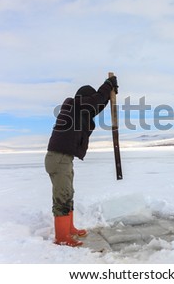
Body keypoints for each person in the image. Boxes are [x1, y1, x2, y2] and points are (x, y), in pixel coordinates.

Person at [45, 76, 118, 246]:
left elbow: (96, 106)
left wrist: (108, 95)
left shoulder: (78, 109)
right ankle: (62, 238)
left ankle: (69, 229)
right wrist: (108, 85)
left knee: (68, 194)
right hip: (58, 158)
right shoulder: (74, 104)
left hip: (63, 158)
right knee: (62, 198)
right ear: (83, 98)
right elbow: (94, 103)